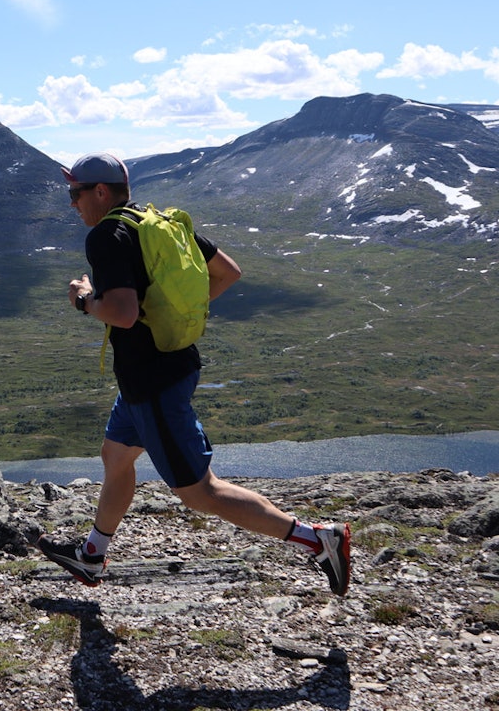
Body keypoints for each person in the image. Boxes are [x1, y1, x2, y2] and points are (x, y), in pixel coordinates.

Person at [37, 152, 351, 596]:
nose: (73, 204)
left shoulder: (108, 236)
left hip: (152, 383)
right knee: (117, 455)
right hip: (169, 366)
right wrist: (176, 315)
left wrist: (84, 299)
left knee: (200, 492)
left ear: (101, 192)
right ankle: (91, 555)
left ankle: (318, 538)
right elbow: (228, 272)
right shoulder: (159, 223)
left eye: (76, 194)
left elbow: (123, 314)